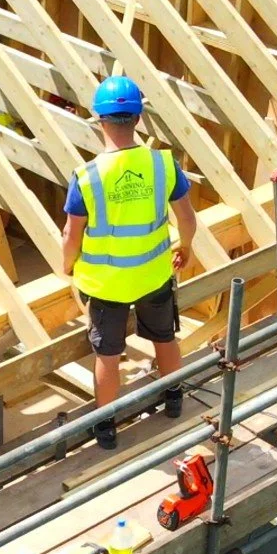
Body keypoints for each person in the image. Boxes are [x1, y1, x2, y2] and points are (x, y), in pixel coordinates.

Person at [62, 76, 198, 451]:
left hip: (107, 285)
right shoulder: (162, 165)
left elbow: (72, 236)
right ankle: (173, 399)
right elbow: (186, 218)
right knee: (164, 337)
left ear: (100, 120)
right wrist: (185, 248)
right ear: (138, 118)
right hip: (154, 273)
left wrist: (67, 265)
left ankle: (105, 426)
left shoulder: (87, 177)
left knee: (108, 353)